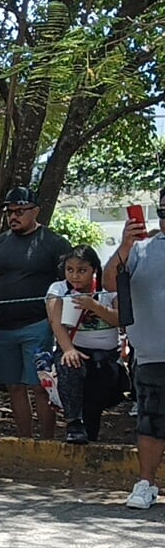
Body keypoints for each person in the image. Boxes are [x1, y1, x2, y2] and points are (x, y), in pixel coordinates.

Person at [0, 186, 71, 439]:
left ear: (36, 211)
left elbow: (68, 284)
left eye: (20, 211)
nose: (14, 216)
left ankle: (47, 442)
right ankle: (24, 440)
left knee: (39, 385)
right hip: (1, 327)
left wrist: (57, 323)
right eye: (10, 211)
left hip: (37, 324)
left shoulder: (54, 243)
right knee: (14, 387)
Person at [106, 196, 165, 508]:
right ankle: (146, 484)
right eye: (163, 210)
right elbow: (108, 281)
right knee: (151, 422)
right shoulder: (141, 249)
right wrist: (126, 246)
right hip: (152, 355)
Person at [46, 245, 121, 444]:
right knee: (70, 365)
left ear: (94, 269)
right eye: (70, 270)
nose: (75, 276)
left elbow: (120, 319)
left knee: (96, 399)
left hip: (107, 355)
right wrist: (69, 349)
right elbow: (55, 321)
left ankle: (90, 434)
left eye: (82, 270)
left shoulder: (108, 289)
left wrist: (94, 306)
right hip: (74, 348)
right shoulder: (58, 288)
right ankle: (73, 423)